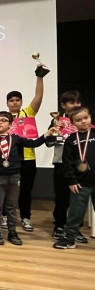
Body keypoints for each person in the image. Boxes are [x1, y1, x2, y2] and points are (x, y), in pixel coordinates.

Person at [0, 111, 54, 246]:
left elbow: (34, 143)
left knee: (11, 206)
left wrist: (46, 135)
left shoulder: (16, 139)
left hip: (14, 176)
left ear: (10, 124)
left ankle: (12, 231)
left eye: (3, 120)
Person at [0, 65, 46, 232]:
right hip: (8, 159)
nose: (15, 102)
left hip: (28, 158)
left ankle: (25, 217)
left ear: (21, 102)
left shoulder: (28, 113)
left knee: (26, 190)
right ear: (7, 103)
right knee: (6, 189)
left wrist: (40, 77)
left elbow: (38, 96)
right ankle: (4, 216)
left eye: (17, 100)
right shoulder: (3, 118)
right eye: (11, 100)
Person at [54, 106, 95, 250]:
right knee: (75, 212)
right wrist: (72, 180)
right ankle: (69, 238)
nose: (83, 121)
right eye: (78, 120)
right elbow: (67, 163)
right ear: (72, 123)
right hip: (80, 183)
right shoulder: (71, 140)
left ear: (90, 117)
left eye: (86, 118)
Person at [48, 90, 82, 239]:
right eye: (72, 102)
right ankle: (59, 225)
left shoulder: (83, 121)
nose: (76, 105)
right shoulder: (57, 121)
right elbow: (49, 143)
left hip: (79, 165)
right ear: (63, 105)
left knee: (78, 198)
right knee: (61, 197)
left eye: (78, 102)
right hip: (61, 163)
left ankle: (75, 228)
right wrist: (55, 131)